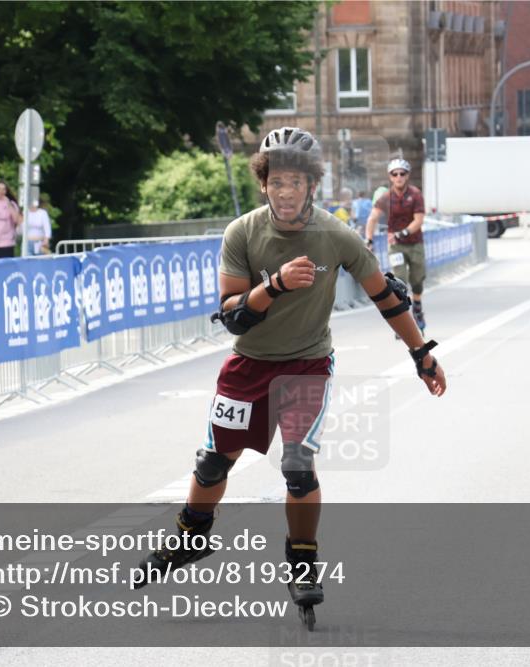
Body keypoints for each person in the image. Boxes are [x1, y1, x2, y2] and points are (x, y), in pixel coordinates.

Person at [138, 127, 447, 615]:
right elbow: (233, 315)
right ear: (263, 183)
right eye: (277, 181)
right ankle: (191, 537)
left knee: (298, 467)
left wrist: (421, 354)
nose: (286, 192)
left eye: (296, 182)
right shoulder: (242, 233)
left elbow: (387, 297)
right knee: (214, 462)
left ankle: (302, 562)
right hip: (248, 363)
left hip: (307, 364)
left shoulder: (335, 235)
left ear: (312, 185)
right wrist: (275, 286)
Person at [365, 159, 429, 332]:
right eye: (395, 174)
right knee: (399, 281)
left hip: (415, 243)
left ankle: (417, 307)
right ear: (390, 177)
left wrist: (404, 232)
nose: (399, 177)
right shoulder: (386, 198)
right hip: (396, 246)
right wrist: (369, 240)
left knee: (417, 280)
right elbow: (372, 218)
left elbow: (419, 220)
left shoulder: (415, 194)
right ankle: (404, 320)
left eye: (402, 173)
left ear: (407, 176)